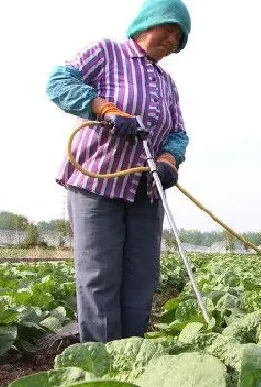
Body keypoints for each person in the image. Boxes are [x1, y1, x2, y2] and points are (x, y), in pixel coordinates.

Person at [45, 0, 192, 343]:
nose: (171, 40)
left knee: (141, 275)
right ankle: (101, 363)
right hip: (98, 181)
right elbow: (58, 81)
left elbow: (179, 132)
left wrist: (170, 160)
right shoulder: (108, 53)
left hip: (145, 189)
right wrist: (105, 108)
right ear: (147, 24)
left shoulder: (167, 83)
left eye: (178, 37)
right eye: (167, 29)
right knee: (99, 274)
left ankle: (131, 355)